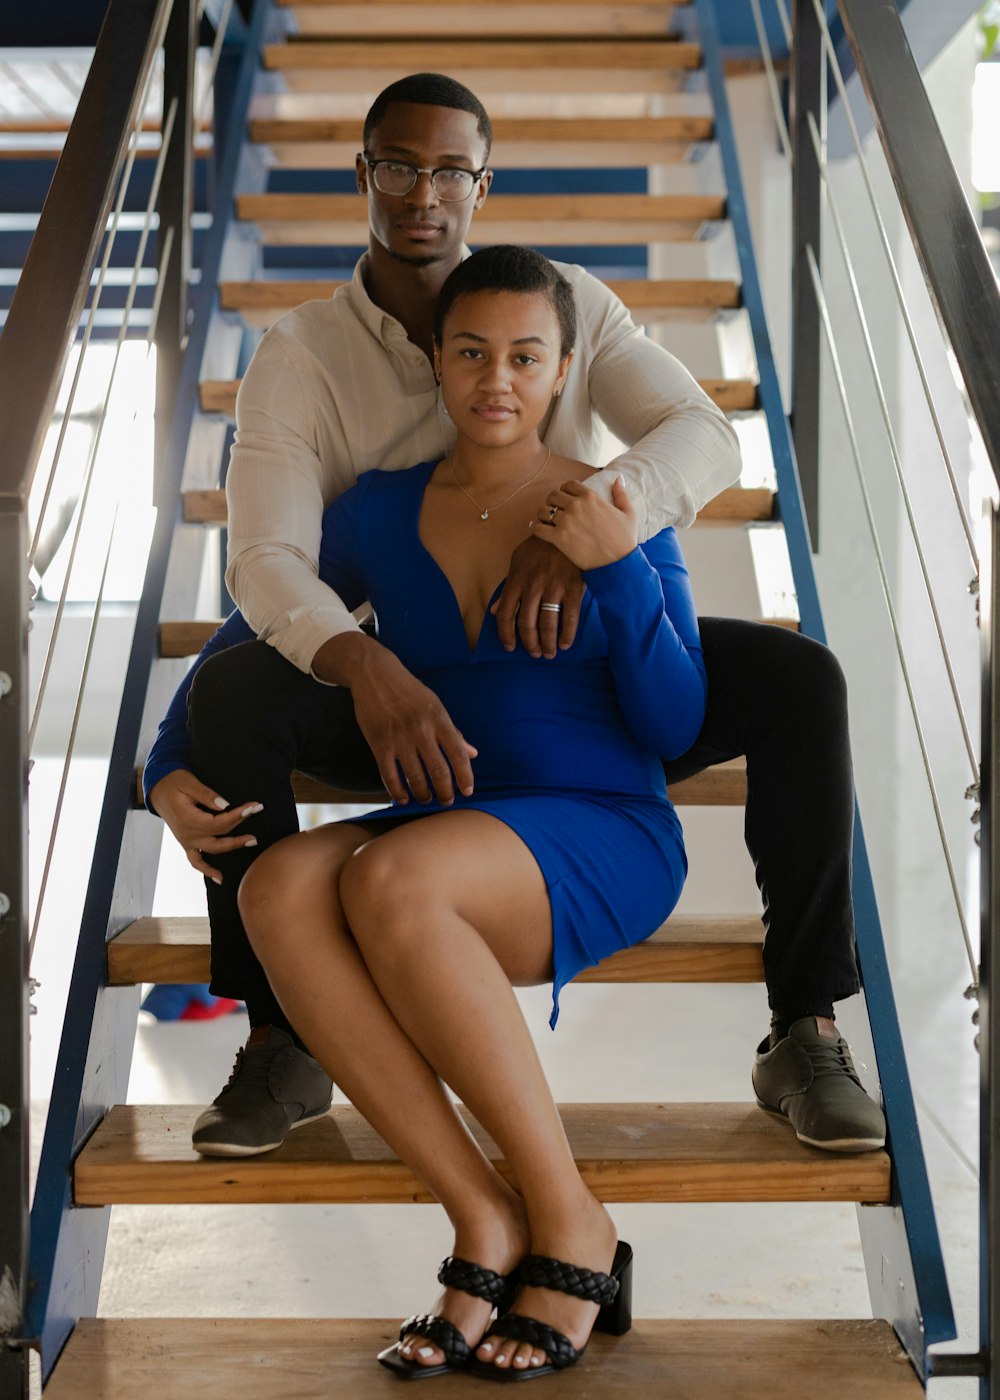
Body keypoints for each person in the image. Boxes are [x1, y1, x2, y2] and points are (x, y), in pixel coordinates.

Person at [142, 71, 884, 1160]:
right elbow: (269, 569)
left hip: (579, 668)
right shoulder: (303, 358)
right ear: (364, 175)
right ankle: (279, 1038)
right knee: (243, 689)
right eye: (399, 165)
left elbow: (701, 433)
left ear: (483, 183)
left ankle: (807, 1025)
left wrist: (581, 523)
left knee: (799, 677)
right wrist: (192, 741)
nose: (423, 193)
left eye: (451, 170)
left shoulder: (563, 299)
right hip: (407, 677)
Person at [237, 244, 705, 1378]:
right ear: (435, 364)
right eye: (471, 352)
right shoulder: (379, 510)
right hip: (457, 828)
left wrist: (619, 561)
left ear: (561, 371)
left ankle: (569, 1216)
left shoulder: (617, 503)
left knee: (392, 876)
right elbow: (256, 619)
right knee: (280, 882)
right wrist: (162, 758)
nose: (497, 378)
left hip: (599, 822)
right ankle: (482, 1220)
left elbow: (677, 722)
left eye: (526, 356)